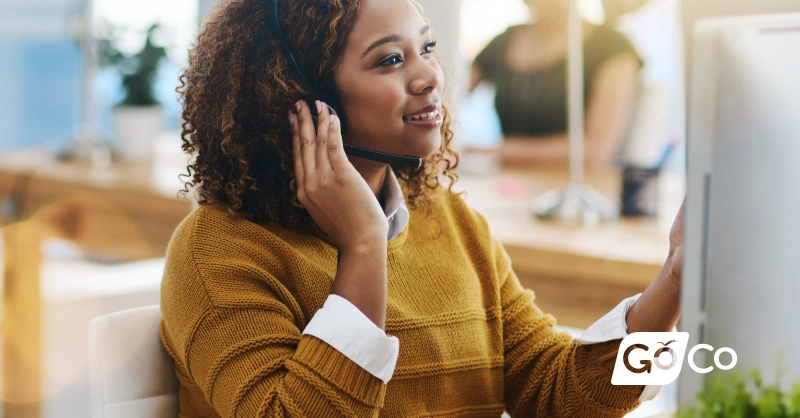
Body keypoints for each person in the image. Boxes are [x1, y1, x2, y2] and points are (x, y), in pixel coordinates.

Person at [159, 0, 683, 416]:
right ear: (302, 96)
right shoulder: (218, 250)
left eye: (426, 47)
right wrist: (363, 245)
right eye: (390, 59)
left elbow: (558, 394)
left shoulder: (448, 219)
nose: (430, 76)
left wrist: (677, 280)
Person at [470, 0, 643, 167]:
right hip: (506, 182)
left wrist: (496, 151)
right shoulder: (504, 40)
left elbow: (595, 150)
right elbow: (453, 89)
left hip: (574, 186)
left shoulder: (612, 47)